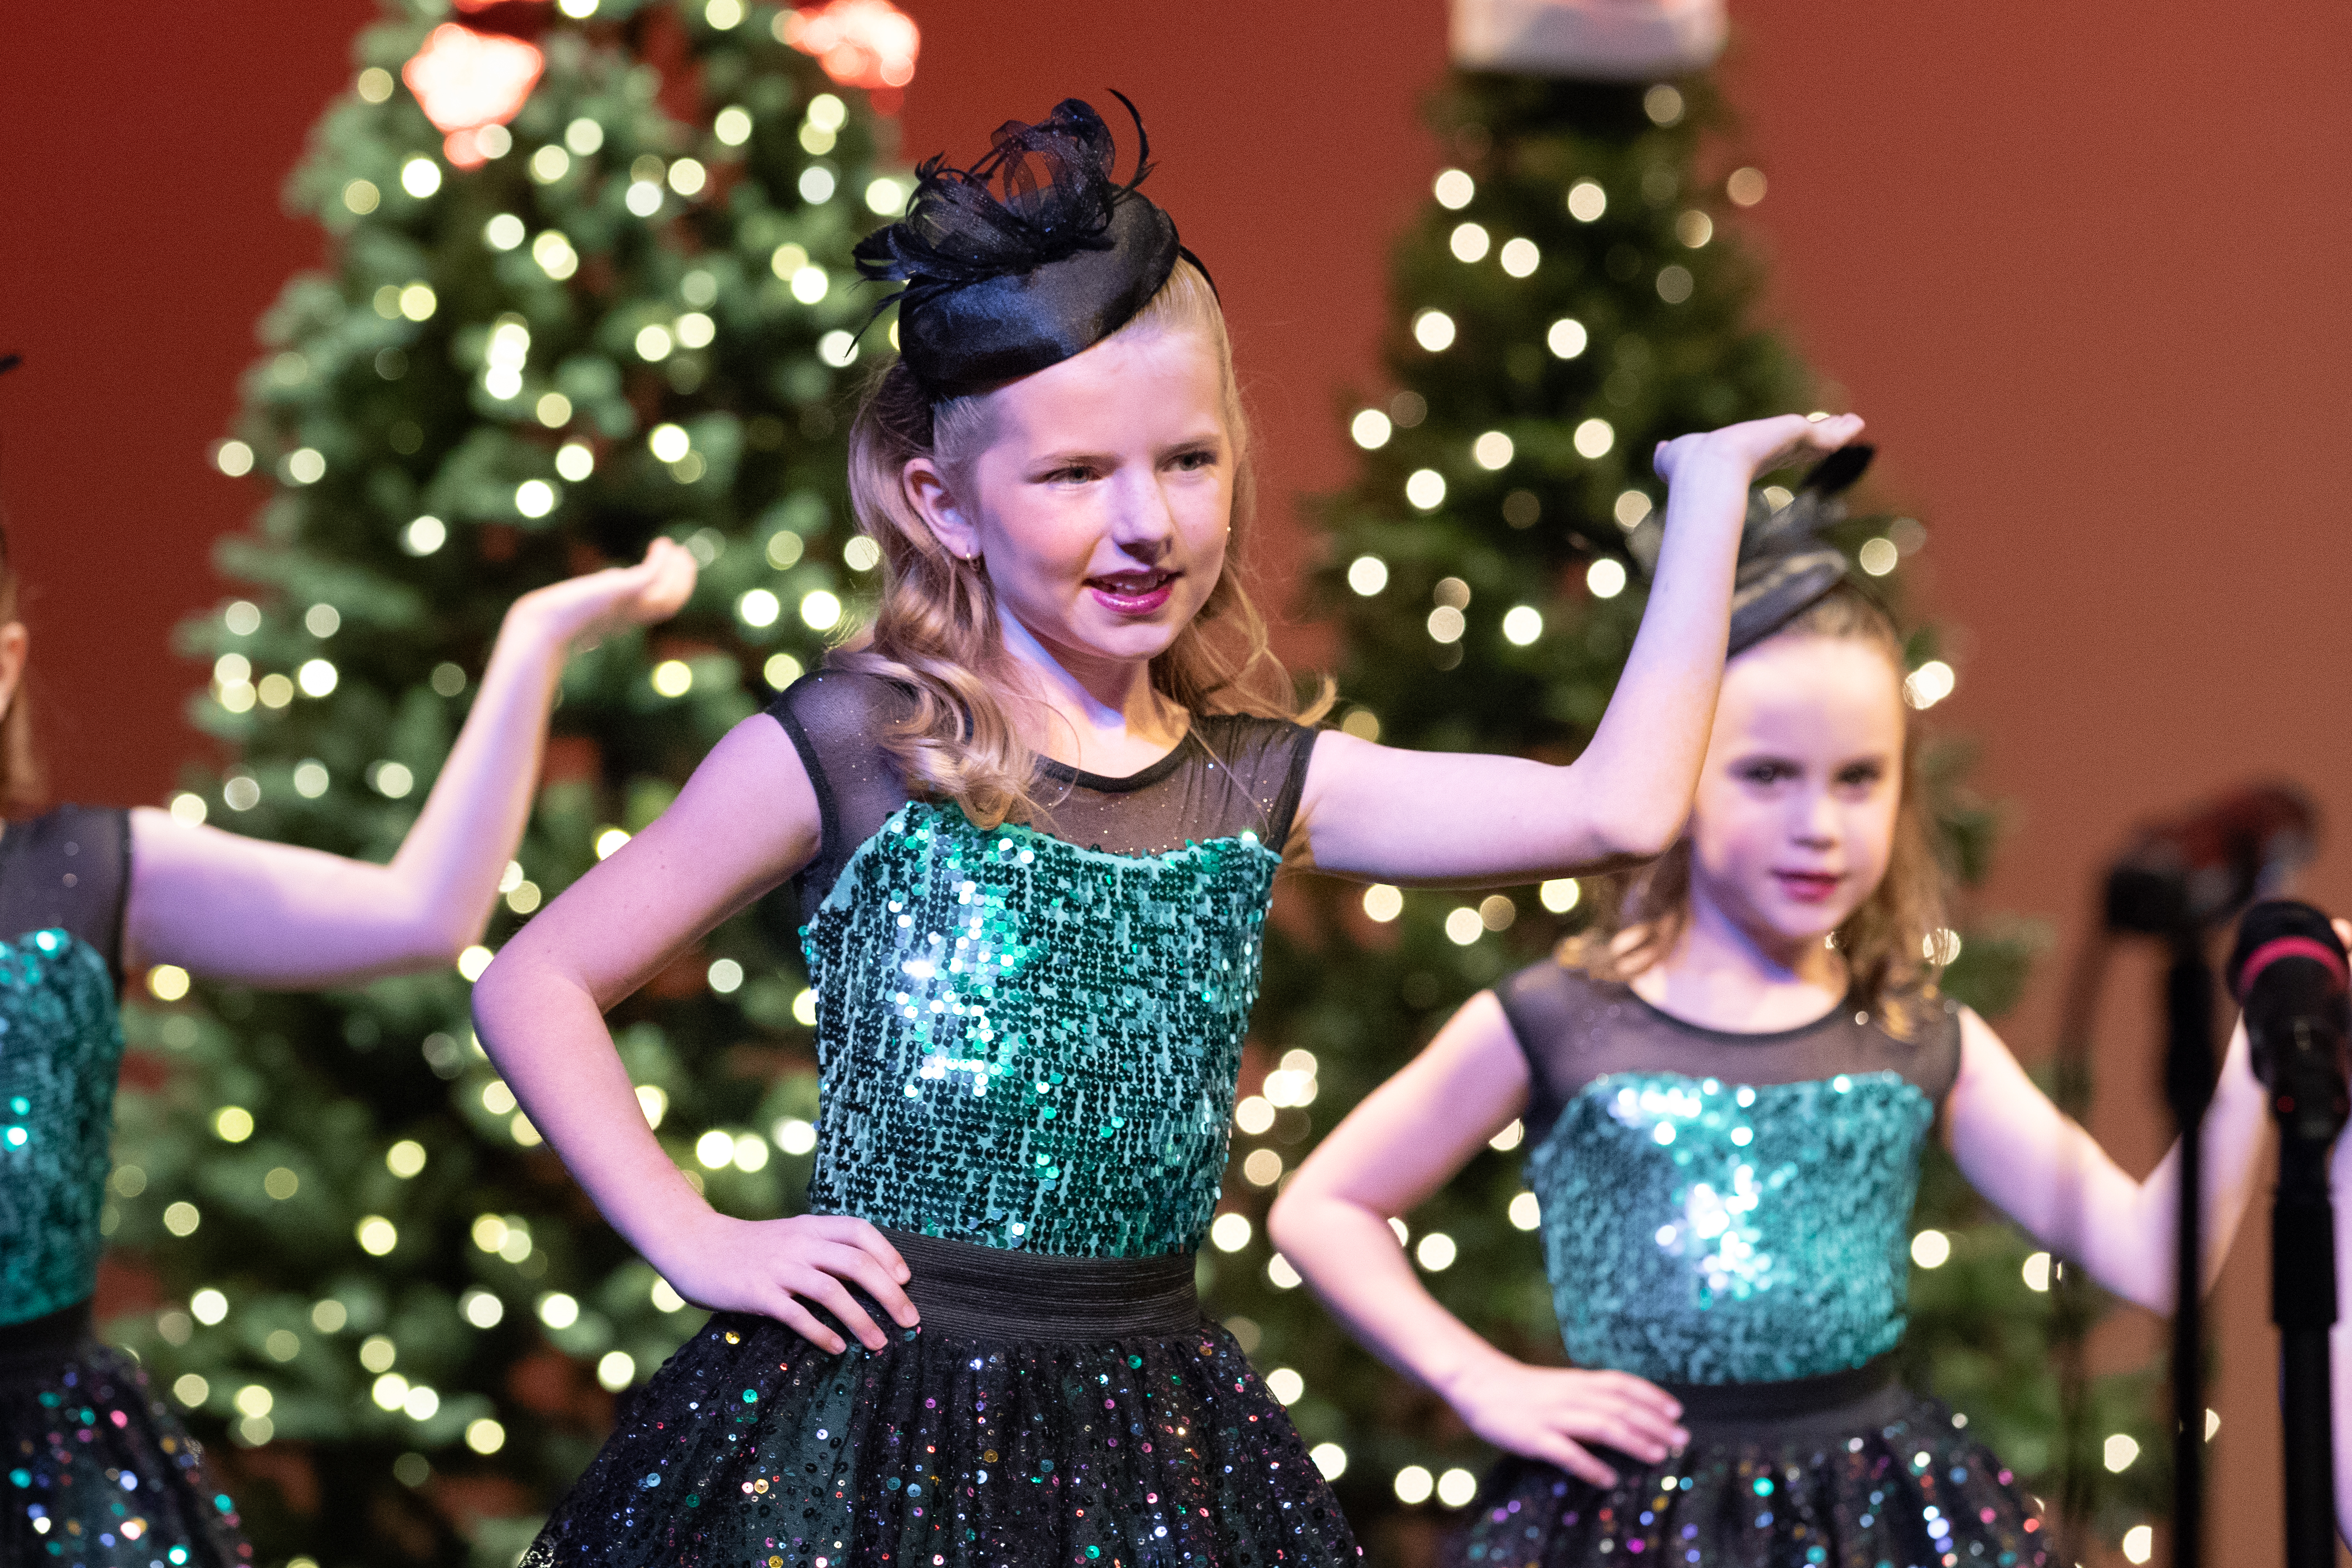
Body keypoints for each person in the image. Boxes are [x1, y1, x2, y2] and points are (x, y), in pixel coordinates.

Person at [472, 96, 1864, 1568]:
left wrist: (1705, 497)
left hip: (1143, 1433)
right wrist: (694, 1236)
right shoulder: (861, 748)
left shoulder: (1256, 782)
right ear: (945, 503)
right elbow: (534, 979)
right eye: (1075, 476)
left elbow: (1617, 807)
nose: (1144, 523)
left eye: (1186, 462)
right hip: (869, 1425)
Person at [1268, 455, 2273, 1568]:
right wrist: (1479, 1379)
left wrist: (2258, 1054)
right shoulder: (1561, 1019)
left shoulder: (1913, 1034)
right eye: (1763, 774)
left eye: (1856, 779)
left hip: (1871, 1521)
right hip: (1619, 1523)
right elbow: (1322, 1205)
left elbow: (2147, 1256)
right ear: (1679, 773)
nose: (1817, 824)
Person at [0, 524, 692, 1568]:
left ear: (6, 664)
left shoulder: (89, 867)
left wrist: (534, 639)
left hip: (47, 1465)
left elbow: (424, 911)